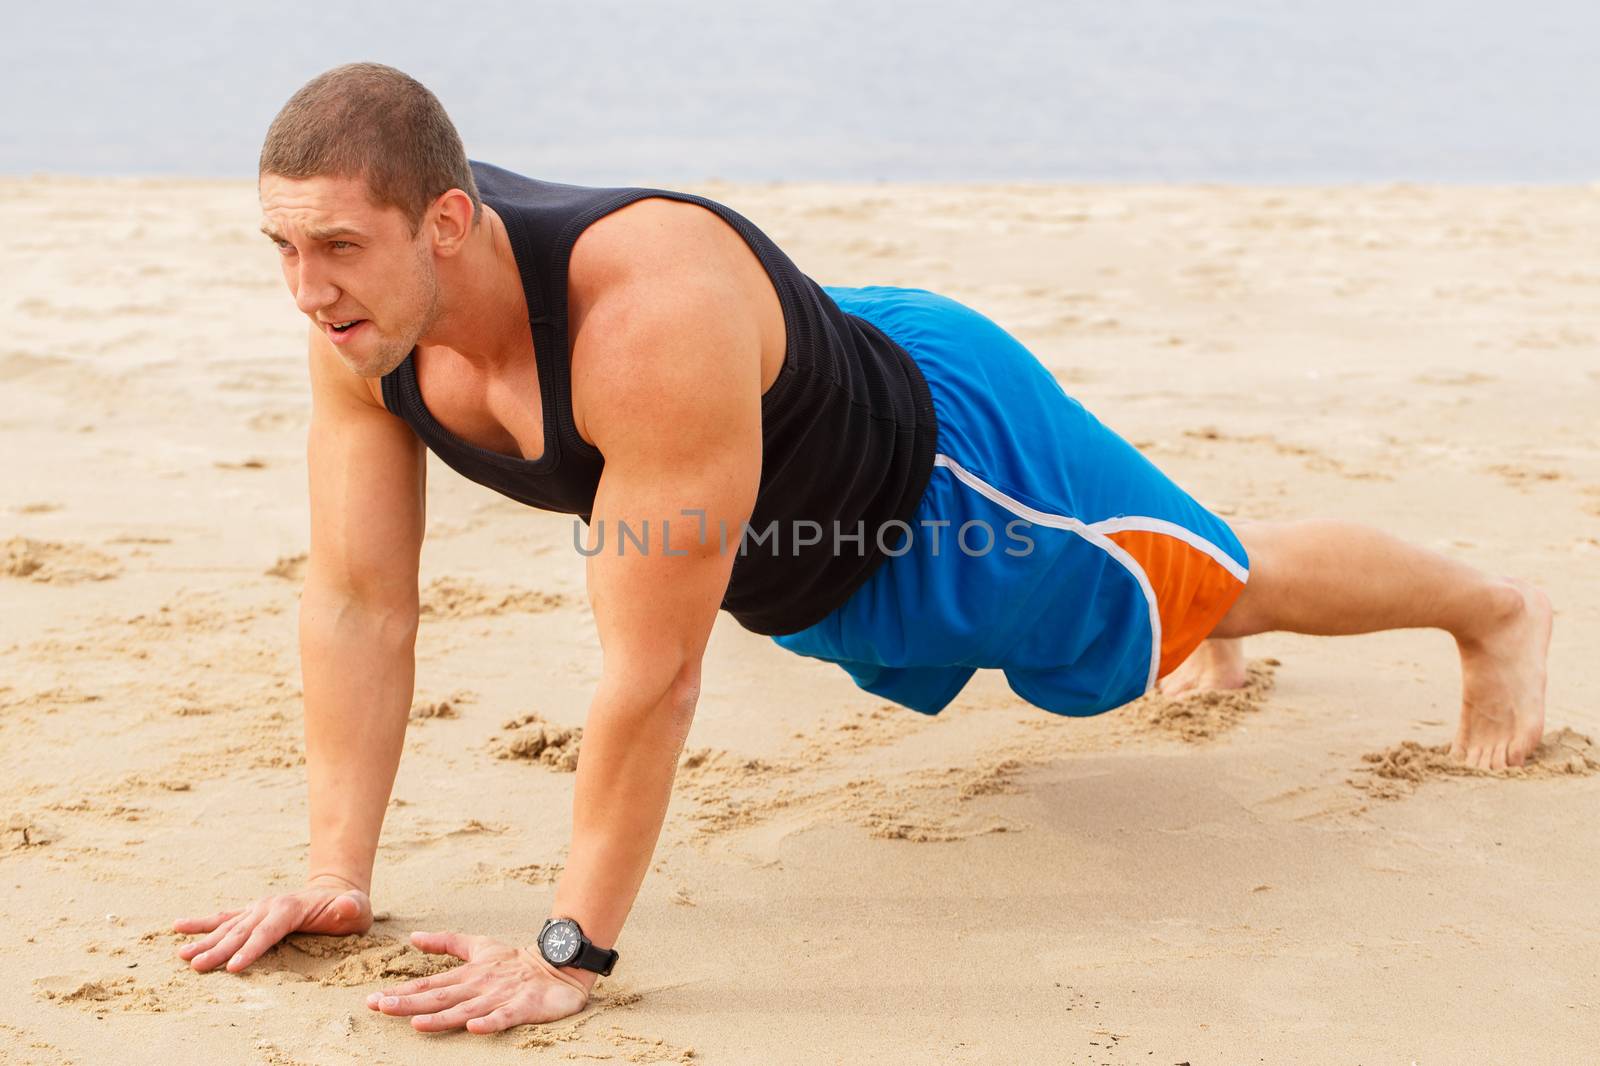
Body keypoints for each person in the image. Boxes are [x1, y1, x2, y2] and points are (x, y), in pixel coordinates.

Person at [173, 62, 1553, 1035]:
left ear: (449, 222)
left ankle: (1488, 611)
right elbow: (360, 603)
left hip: (954, 480)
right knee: (1163, 600)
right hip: (795, 494)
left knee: (1190, 592)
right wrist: (334, 865)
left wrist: (569, 951)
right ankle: (1183, 589)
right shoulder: (367, 330)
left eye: (338, 246)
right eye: (281, 248)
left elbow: (652, 673)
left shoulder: (637, 320)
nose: (307, 289)